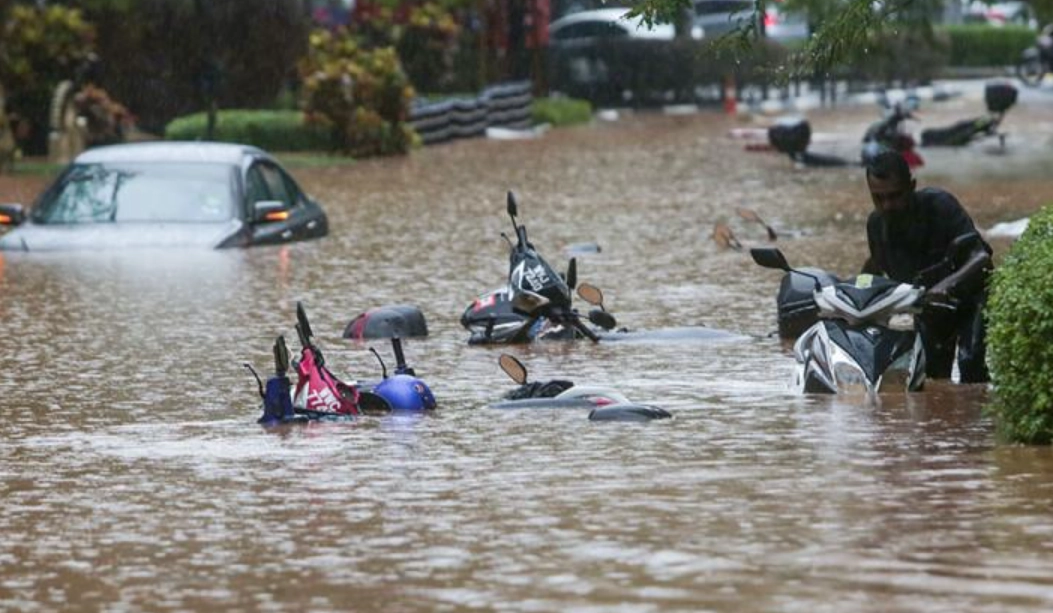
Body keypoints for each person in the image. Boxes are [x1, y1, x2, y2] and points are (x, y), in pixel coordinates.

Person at [861, 150, 993, 383]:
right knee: (933, 379)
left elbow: (981, 257)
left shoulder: (940, 205)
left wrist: (946, 286)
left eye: (895, 196)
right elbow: (874, 269)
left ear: (911, 186)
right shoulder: (876, 226)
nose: (887, 205)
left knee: (971, 364)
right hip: (929, 311)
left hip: (970, 299)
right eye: (878, 198)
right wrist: (853, 295)